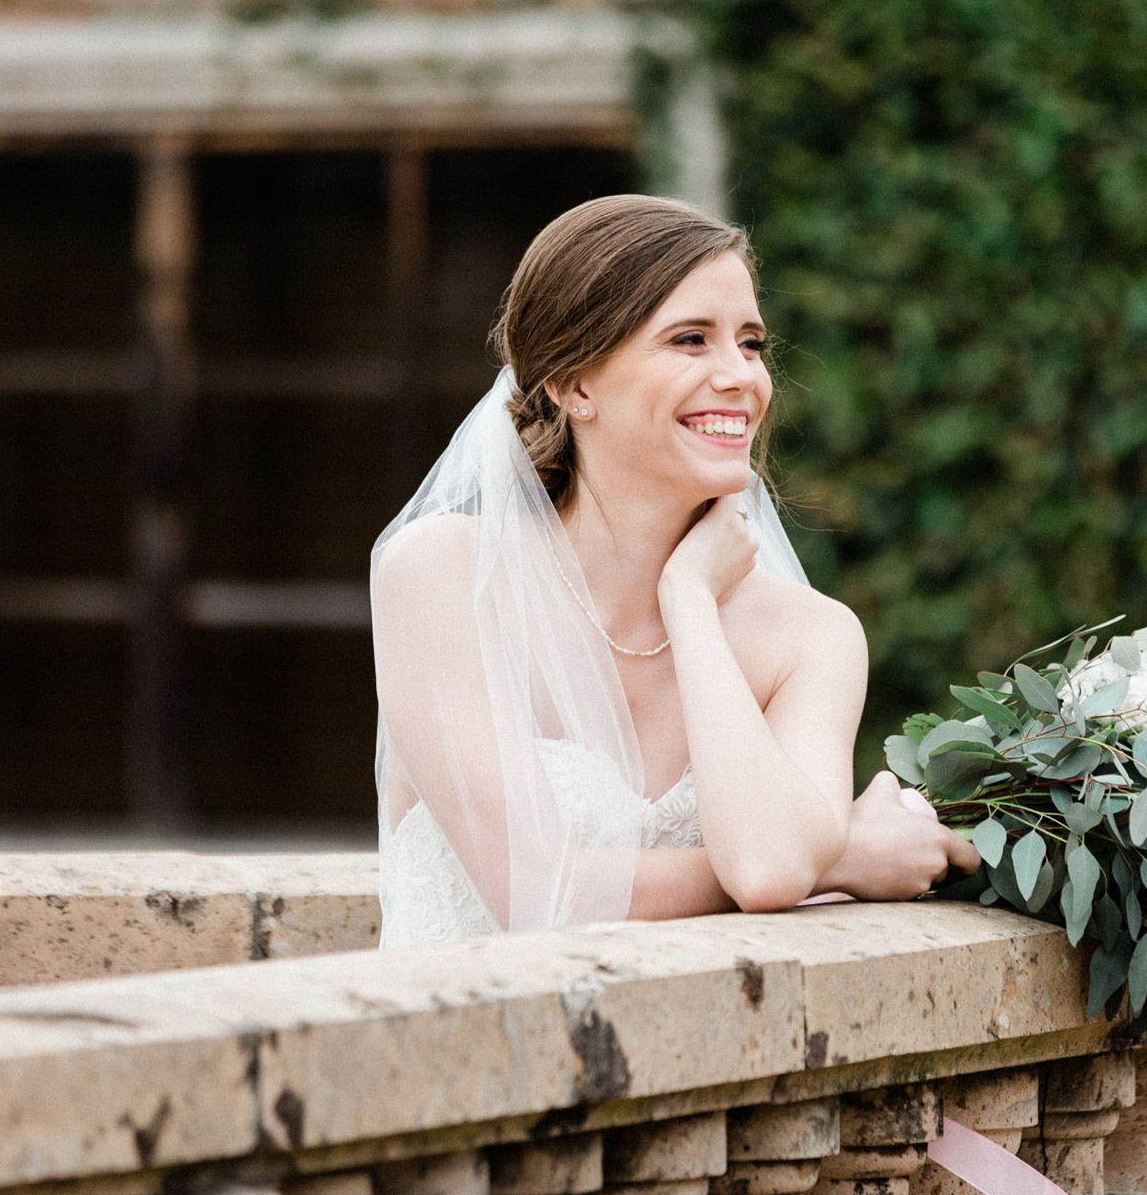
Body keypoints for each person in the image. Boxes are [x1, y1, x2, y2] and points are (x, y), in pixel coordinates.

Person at [370, 194, 978, 948]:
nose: (740, 378)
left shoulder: (812, 637)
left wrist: (689, 598)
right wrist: (843, 854)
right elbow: (534, 894)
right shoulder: (445, 575)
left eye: (751, 344)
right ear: (573, 384)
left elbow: (766, 870)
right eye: (691, 340)